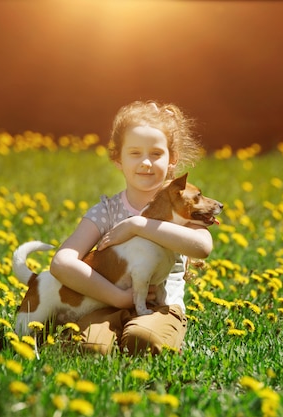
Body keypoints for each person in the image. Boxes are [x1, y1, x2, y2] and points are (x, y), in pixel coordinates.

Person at [50, 100, 214, 355]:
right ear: (118, 159)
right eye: (135, 153)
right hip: (104, 305)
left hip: (161, 306)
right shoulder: (107, 211)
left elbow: (203, 247)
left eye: (156, 154)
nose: (146, 163)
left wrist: (138, 225)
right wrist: (118, 298)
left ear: (173, 159)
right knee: (91, 348)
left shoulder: (184, 208)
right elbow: (62, 262)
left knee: (143, 339)